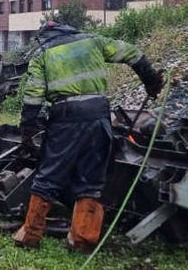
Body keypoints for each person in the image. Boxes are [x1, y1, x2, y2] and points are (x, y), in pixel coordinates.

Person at [14, 21, 163, 253]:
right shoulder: (94, 41)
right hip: (99, 117)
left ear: (45, 36)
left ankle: (30, 235)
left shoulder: (43, 53)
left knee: (50, 174)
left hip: (65, 119)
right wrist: (152, 81)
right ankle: (82, 239)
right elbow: (132, 53)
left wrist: (28, 129)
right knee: (92, 177)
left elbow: (33, 94)